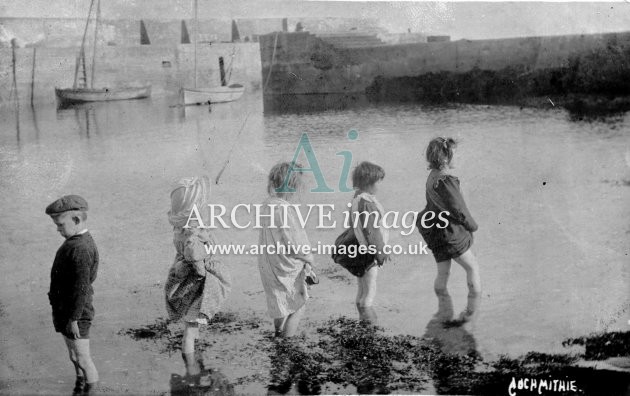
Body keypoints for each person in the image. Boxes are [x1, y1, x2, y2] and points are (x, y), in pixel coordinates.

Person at [164, 176, 231, 380]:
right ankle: (191, 368)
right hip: (196, 283)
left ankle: (192, 362)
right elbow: (194, 255)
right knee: (191, 329)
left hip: (185, 280)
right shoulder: (193, 236)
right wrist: (202, 269)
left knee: (192, 323)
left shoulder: (182, 229)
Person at [418, 137, 481, 323]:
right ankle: (472, 311)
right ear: (446, 158)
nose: (458, 158)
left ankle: (442, 311)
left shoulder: (432, 177)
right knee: (472, 267)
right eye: (456, 155)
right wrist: (472, 226)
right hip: (449, 233)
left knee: (443, 272)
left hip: (435, 231)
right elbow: (459, 209)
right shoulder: (447, 180)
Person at [46, 195, 99, 395]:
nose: (58, 229)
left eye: (60, 225)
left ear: (76, 221)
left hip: (77, 312)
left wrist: (75, 318)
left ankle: (92, 389)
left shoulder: (81, 248)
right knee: (75, 357)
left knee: (84, 359)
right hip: (66, 310)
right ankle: (79, 385)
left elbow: (81, 287)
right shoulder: (75, 242)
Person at [258, 162, 315, 338]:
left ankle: (278, 332)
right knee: (299, 304)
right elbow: (293, 242)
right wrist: (308, 258)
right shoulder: (286, 209)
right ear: (293, 187)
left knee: (279, 300)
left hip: (269, 262)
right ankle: (286, 341)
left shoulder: (267, 205)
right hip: (284, 265)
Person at [338, 161, 389, 325]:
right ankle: (369, 320)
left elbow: (355, 226)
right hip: (368, 252)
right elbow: (372, 232)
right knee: (370, 287)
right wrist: (380, 254)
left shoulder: (357, 198)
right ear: (369, 183)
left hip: (359, 248)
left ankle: (361, 314)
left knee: (362, 286)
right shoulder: (367, 203)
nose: (380, 186)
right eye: (378, 182)